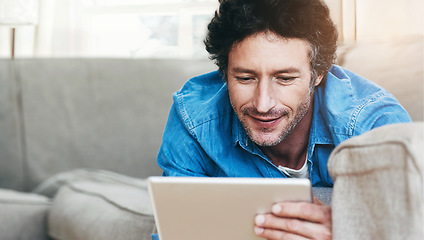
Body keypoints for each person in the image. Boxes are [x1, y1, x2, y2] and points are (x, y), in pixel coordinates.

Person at [155, 0, 411, 239]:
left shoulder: (374, 124)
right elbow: (172, 231)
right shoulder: (194, 119)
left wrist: (351, 231)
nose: (262, 104)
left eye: (285, 78)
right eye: (245, 78)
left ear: (319, 73)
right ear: (224, 73)